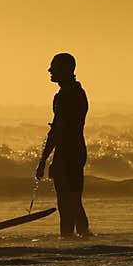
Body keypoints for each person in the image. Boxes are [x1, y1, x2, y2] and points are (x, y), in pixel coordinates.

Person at [35, 53, 91, 238]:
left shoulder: (65, 96)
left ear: (65, 70)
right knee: (75, 201)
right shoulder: (79, 92)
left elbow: (57, 131)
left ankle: (67, 240)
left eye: (54, 67)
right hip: (78, 150)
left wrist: (43, 159)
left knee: (65, 203)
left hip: (67, 152)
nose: (49, 70)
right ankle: (84, 237)